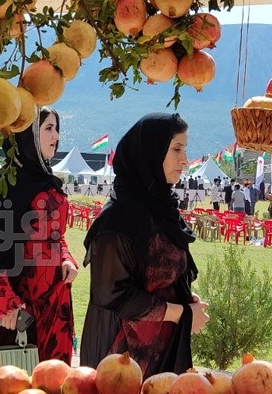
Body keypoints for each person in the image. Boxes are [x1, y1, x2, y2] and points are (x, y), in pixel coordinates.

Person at [79, 112, 210, 376]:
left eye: (184, 150)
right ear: (150, 152)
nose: (184, 160)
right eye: (176, 149)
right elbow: (111, 294)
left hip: (158, 356)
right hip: (119, 362)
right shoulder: (119, 219)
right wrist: (181, 314)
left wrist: (184, 299)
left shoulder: (162, 211)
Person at [0, 108, 77, 363]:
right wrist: (6, 301)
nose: (56, 136)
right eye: (48, 129)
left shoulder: (48, 180)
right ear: (28, 135)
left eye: (57, 128)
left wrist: (66, 258)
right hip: (20, 302)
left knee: (54, 380)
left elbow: (56, 236)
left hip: (54, 299)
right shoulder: (7, 182)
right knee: (17, 382)